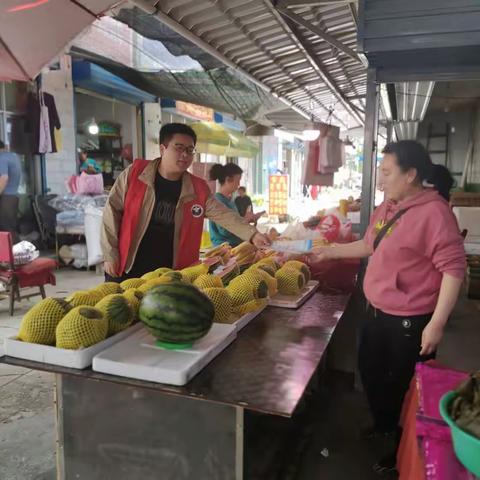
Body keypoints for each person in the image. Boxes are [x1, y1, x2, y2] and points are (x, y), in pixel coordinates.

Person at [310, 140, 465, 474]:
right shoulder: (388, 206)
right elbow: (369, 244)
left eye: (386, 171)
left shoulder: (435, 213)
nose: (380, 179)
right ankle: (384, 424)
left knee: (404, 388)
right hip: (376, 313)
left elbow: (454, 269)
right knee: (373, 375)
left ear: (410, 174)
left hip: (409, 322)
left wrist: (436, 324)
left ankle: (400, 451)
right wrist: (330, 252)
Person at [101, 124, 270, 281]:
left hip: (169, 272)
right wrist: (110, 254)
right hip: (127, 264)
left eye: (190, 150)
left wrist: (252, 234)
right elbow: (111, 211)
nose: (185, 155)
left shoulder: (198, 189)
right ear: (162, 148)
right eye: (179, 148)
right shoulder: (135, 173)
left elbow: (224, 215)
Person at [208, 163, 245, 247]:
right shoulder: (217, 201)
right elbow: (225, 230)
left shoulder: (230, 201)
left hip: (235, 246)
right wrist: (245, 219)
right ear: (228, 180)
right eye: (238, 181)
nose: (239, 185)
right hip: (224, 249)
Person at [0, 140, 21, 242]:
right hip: (13, 196)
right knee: (10, 227)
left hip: (6, 198)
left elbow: (4, 178)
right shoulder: (14, 156)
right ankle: (17, 253)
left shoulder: (2, 158)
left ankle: (13, 255)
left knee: (6, 228)